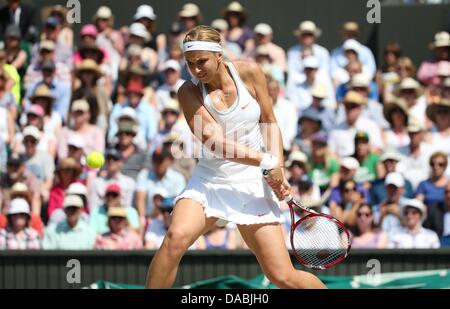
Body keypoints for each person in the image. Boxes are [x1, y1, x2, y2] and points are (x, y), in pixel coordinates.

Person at [145, 25, 325, 289]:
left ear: (219, 55)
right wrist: (267, 161)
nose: (196, 70)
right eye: (190, 64)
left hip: (253, 183)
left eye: (202, 61)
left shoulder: (250, 72)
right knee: (175, 236)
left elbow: (269, 121)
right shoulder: (188, 92)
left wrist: (279, 168)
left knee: (282, 276)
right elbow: (216, 143)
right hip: (210, 179)